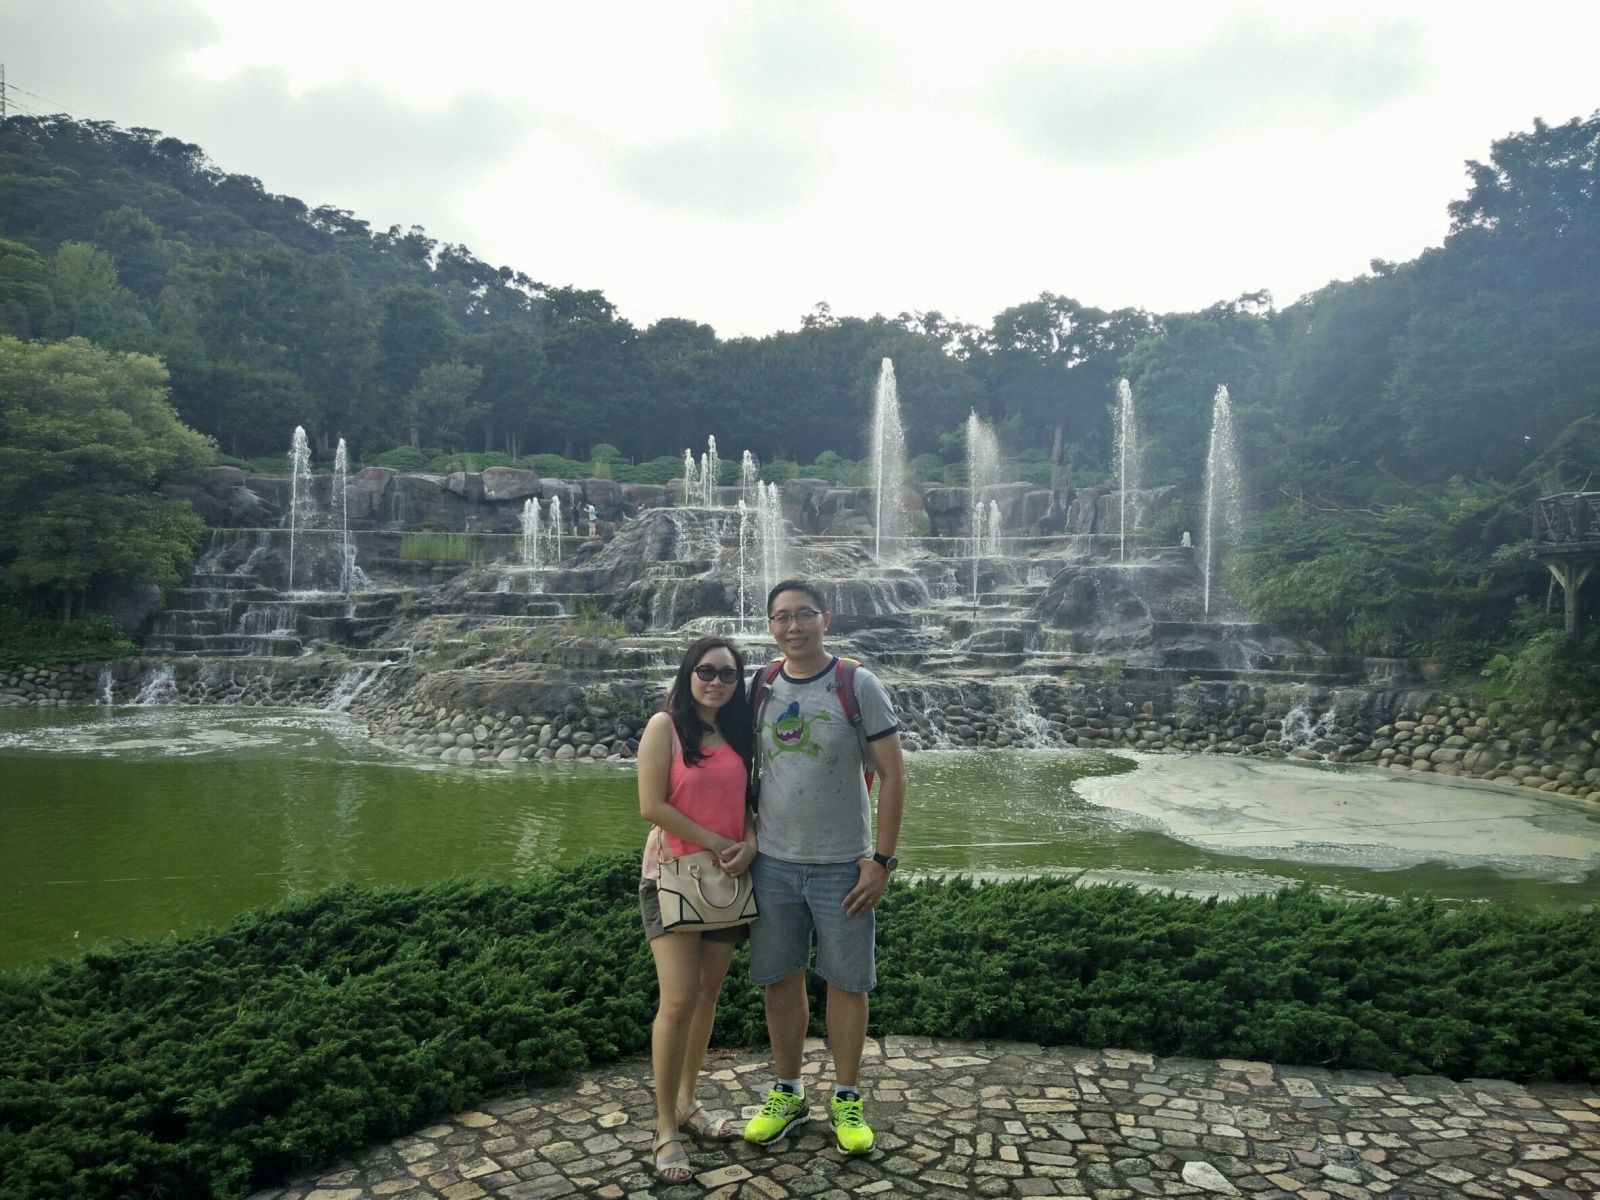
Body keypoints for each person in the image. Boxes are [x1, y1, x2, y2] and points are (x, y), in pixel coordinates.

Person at [742, 579, 907, 1157]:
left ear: (825, 619)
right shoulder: (759, 686)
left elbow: (895, 776)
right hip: (773, 865)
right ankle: (788, 1093)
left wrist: (881, 861)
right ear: (770, 625)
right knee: (779, 978)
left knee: (847, 982)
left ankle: (846, 1096)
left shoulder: (857, 684)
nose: (794, 626)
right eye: (782, 616)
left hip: (843, 866)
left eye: (804, 614)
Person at [637, 635, 759, 1183]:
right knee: (679, 999)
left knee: (707, 995)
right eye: (706, 671)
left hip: (727, 880)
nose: (716, 681)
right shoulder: (665, 727)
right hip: (671, 876)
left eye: (728, 674)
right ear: (688, 674)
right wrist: (716, 842)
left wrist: (749, 843)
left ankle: (688, 1102)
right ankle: (664, 1127)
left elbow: (749, 802)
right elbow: (651, 805)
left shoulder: (739, 734)